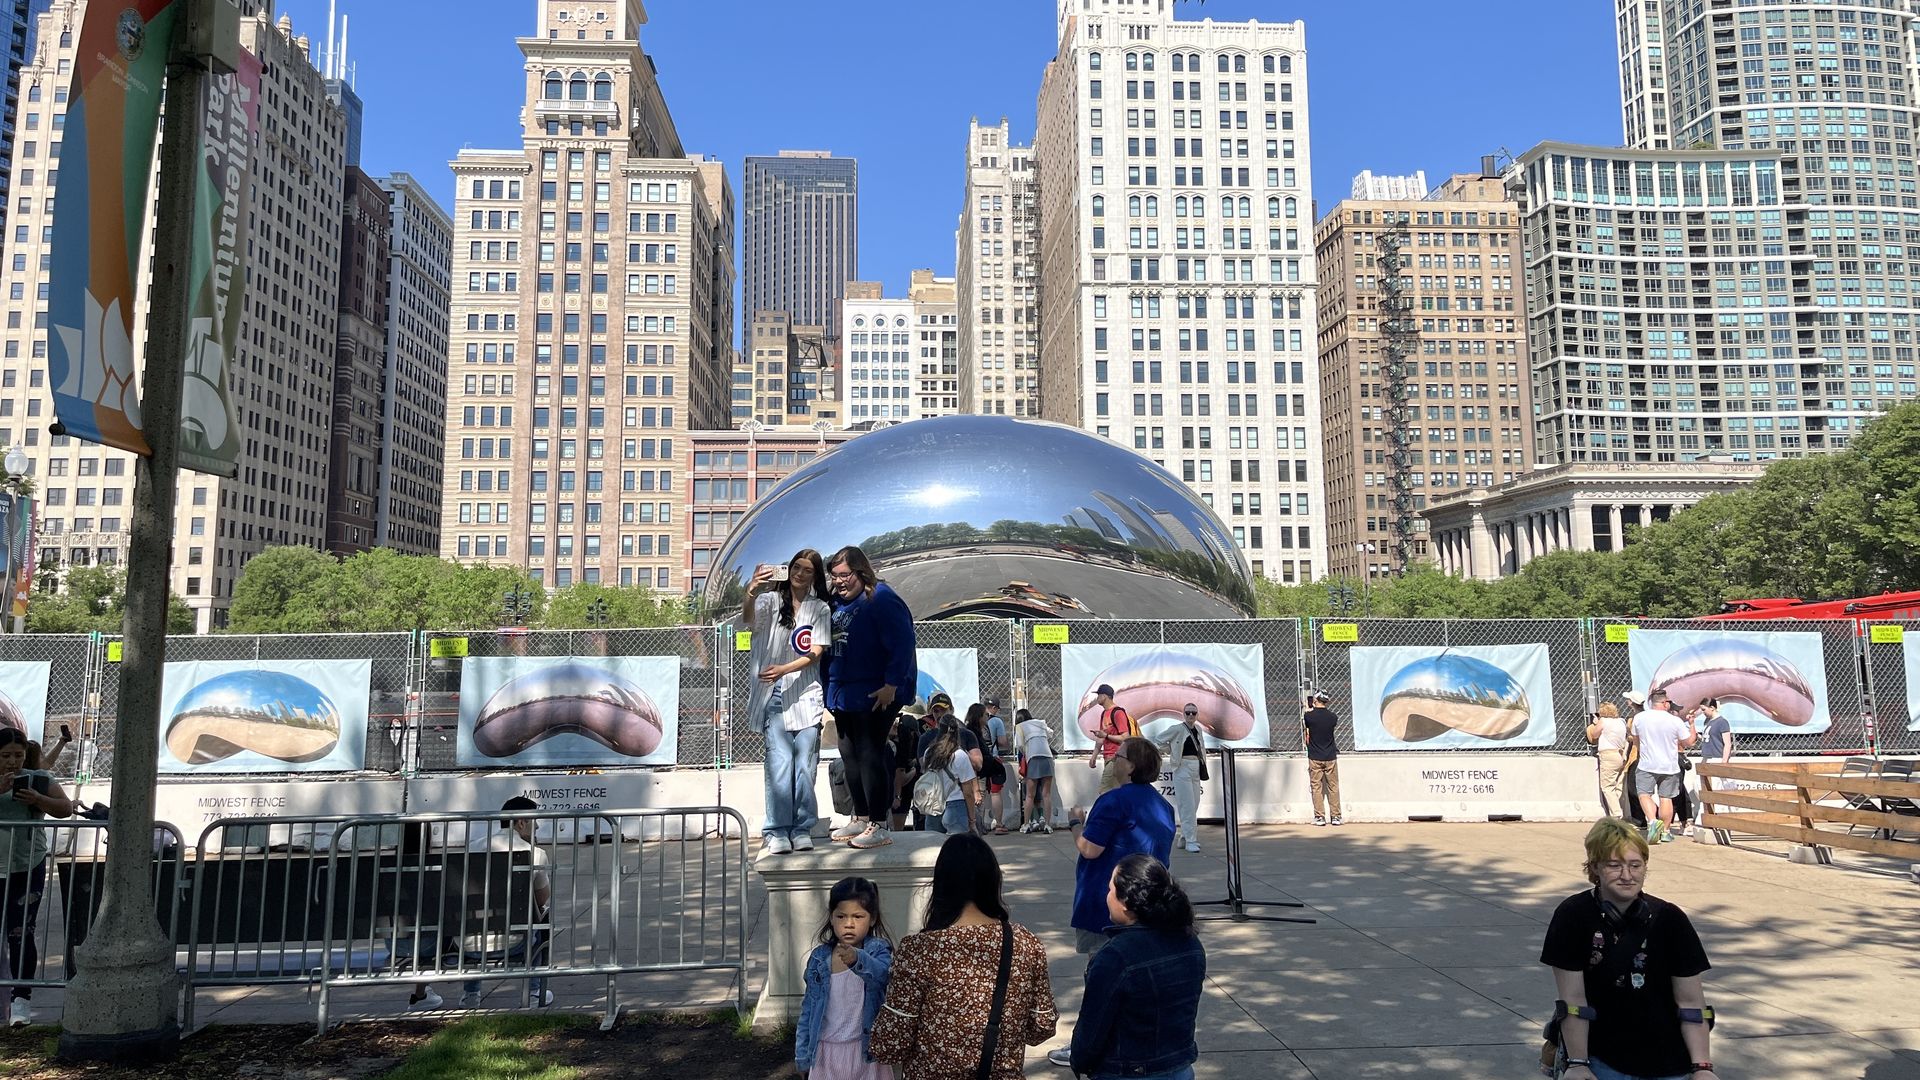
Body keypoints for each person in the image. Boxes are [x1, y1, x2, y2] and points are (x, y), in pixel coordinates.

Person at [1540, 818, 1718, 1080]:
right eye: (1614, 865)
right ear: (1595, 868)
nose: (1627, 875)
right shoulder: (1573, 915)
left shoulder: (1670, 919)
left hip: (1669, 1062)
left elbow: (1692, 1003)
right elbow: (1574, 1000)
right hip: (1602, 1060)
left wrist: (1702, 1067)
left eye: (1635, 865)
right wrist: (1578, 1064)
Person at [870, 834, 1058, 1079]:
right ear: (993, 881)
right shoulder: (1025, 943)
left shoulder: (919, 950)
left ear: (941, 884)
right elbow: (1041, 1027)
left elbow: (890, 1044)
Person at [1050, 738, 1175, 1069]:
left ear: (1130, 765)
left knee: (1100, 974)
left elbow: (1090, 849)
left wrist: (1076, 820)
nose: (1112, 760)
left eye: (1117, 756)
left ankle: (1088, 1043)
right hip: (1147, 904)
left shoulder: (1113, 801)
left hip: (1106, 904)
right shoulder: (1164, 807)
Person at [1068, 855, 1205, 1080]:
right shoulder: (1190, 943)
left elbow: (1091, 1032)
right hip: (1179, 1067)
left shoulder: (1115, 957)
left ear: (1127, 902)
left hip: (1126, 1071)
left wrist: (1079, 1060)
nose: (1107, 897)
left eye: (1111, 890)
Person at [824, 546, 917, 851]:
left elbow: (903, 642)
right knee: (848, 752)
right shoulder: (835, 602)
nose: (839, 581)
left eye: (845, 575)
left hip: (875, 691)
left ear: (860, 572)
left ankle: (878, 822)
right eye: (834, 575)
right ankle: (861, 816)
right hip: (843, 691)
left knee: (870, 752)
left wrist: (892, 683)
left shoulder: (880, 598)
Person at [744, 548, 833, 856]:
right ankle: (777, 830)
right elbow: (749, 621)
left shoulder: (819, 608)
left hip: (806, 694)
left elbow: (817, 651)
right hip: (775, 695)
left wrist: (783, 668)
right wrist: (752, 591)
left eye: (807, 570)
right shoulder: (769, 601)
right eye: (796, 567)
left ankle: (802, 827)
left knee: (806, 766)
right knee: (779, 764)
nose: (799, 573)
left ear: (815, 576)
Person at [1, 725, 73, 1027]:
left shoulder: (40, 779)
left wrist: (38, 801)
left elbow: (65, 808)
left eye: (18, 755)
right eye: (5, 756)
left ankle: (21, 1000)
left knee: (20, 932)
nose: (12, 762)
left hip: (25, 866)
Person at [796, 876, 896, 1080]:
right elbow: (808, 1009)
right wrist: (802, 1055)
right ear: (831, 918)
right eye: (841, 916)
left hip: (865, 1051)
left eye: (858, 917)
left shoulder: (878, 950)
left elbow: (882, 977)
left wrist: (858, 959)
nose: (849, 924)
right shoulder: (819, 958)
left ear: (872, 918)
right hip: (826, 1051)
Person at [460, 796, 553, 1008]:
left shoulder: (472, 849)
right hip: (516, 940)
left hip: (469, 942)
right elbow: (541, 899)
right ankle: (534, 990)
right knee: (543, 917)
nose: (537, 826)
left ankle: (471, 994)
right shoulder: (535, 854)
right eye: (535, 821)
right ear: (521, 822)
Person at [1631, 692, 1696, 845]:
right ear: (1665, 703)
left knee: (1644, 794)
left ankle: (1653, 821)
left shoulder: (1640, 718)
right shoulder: (1674, 721)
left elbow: (1635, 739)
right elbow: (1689, 742)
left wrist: (1641, 752)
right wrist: (1692, 725)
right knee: (1666, 797)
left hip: (1647, 763)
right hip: (1669, 766)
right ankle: (1665, 831)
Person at [1163, 703, 1210, 854]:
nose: (1190, 715)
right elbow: (1158, 740)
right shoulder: (1177, 729)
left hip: (1196, 767)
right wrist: (1172, 751)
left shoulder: (1198, 729)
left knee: (1195, 803)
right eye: (1188, 712)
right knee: (1187, 804)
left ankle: (1184, 836)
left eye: (1193, 713)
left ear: (1197, 715)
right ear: (1183, 714)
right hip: (1182, 766)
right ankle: (1191, 840)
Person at [920, 719, 979, 835]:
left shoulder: (929, 752)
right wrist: (972, 820)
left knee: (933, 848)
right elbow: (968, 792)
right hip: (955, 804)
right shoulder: (960, 755)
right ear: (957, 733)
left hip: (933, 805)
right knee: (957, 849)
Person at [1086, 684, 1138, 796]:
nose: (1097, 698)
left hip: (1117, 757)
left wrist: (1106, 736)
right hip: (1108, 758)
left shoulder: (1118, 713)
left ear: (1104, 696)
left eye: (1099, 695)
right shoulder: (1104, 713)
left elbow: (1125, 737)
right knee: (1115, 792)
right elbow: (1101, 737)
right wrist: (1094, 756)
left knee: (1104, 791)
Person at [1302, 691, 1342, 827]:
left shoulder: (1309, 717)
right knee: (1333, 786)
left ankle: (1320, 816)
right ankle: (1336, 816)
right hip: (1330, 755)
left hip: (1315, 756)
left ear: (1316, 700)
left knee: (1316, 787)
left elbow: (1307, 726)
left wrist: (1309, 709)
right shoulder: (1332, 717)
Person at [1014, 708, 1055, 834]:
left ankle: (1026, 825)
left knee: (1030, 795)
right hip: (1048, 757)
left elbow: (1019, 745)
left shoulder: (1020, 727)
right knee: (1046, 794)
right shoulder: (1040, 722)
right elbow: (1050, 733)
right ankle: (1048, 825)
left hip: (1033, 758)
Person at [1587, 703, 1630, 818]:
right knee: (1618, 784)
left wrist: (1596, 723)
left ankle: (1616, 813)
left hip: (1608, 755)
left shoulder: (1604, 721)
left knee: (1607, 786)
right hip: (1620, 753)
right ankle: (1617, 808)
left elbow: (1594, 735)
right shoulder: (1621, 721)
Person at [1692, 699, 1732, 815]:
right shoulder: (1708, 722)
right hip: (1706, 758)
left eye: (1704, 709)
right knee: (1699, 786)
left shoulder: (1722, 722)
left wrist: (1724, 762)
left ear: (1712, 708)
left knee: (1715, 788)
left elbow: (1727, 743)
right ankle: (1707, 814)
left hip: (1716, 758)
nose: (1703, 712)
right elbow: (1707, 738)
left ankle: (1718, 815)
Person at [981, 699, 1014, 834]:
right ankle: (999, 824)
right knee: (995, 792)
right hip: (993, 759)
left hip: (979, 759)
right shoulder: (997, 721)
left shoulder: (976, 719)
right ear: (994, 708)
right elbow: (1002, 742)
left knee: (980, 793)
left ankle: (979, 824)